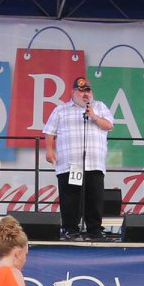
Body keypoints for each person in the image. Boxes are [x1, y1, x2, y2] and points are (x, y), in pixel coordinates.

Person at [41, 74, 114, 240]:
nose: (85, 94)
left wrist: (94, 116)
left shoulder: (100, 107)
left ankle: (94, 230)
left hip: (94, 164)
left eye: (88, 90)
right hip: (73, 164)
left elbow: (109, 125)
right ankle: (70, 229)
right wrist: (49, 150)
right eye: (81, 91)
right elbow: (49, 131)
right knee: (72, 197)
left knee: (94, 197)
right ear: (74, 92)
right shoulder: (62, 110)